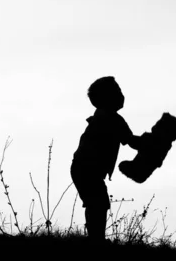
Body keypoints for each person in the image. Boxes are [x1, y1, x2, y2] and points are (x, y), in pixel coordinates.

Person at [70, 76, 141, 241]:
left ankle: (97, 239)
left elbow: (129, 140)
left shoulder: (111, 118)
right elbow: (131, 141)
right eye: (117, 92)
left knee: (98, 203)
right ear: (106, 98)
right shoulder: (109, 118)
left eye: (120, 91)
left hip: (85, 168)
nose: (121, 95)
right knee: (98, 202)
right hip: (85, 168)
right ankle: (96, 240)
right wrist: (149, 144)